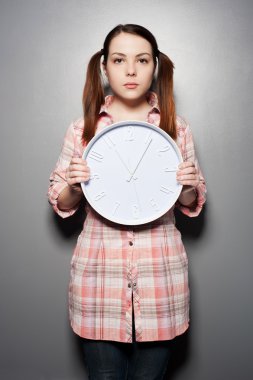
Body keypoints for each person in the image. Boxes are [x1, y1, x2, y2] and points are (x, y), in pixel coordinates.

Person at [48, 24, 206, 380]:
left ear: (155, 67)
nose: (131, 70)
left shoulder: (176, 129)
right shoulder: (82, 130)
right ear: (105, 67)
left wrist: (188, 185)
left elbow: (191, 202)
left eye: (142, 60)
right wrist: (74, 184)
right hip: (99, 277)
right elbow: (61, 202)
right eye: (119, 60)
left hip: (160, 276)